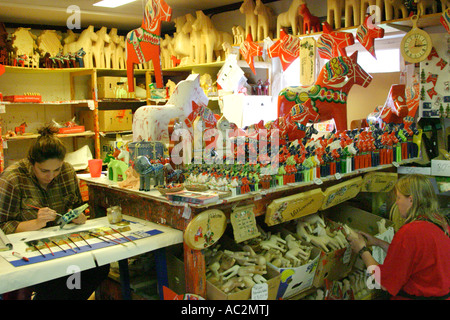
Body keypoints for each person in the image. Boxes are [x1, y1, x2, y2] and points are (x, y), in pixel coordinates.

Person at [0, 125, 109, 299]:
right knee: (60, 279)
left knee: (98, 266)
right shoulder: (13, 178)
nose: (51, 176)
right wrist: (35, 223)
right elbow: (2, 228)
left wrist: (77, 216)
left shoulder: (66, 172)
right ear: (32, 163)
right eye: (44, 171)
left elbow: (75, 206)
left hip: (61, 248)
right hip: (26, 255)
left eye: (56, 169)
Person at [347, 174, 450, 300]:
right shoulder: (440, 223)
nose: (396, 202)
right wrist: (378, 242)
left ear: (411, 200)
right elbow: (414, 257)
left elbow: (383, 282)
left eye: (399, 197)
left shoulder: (410, 232)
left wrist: (362, 250)